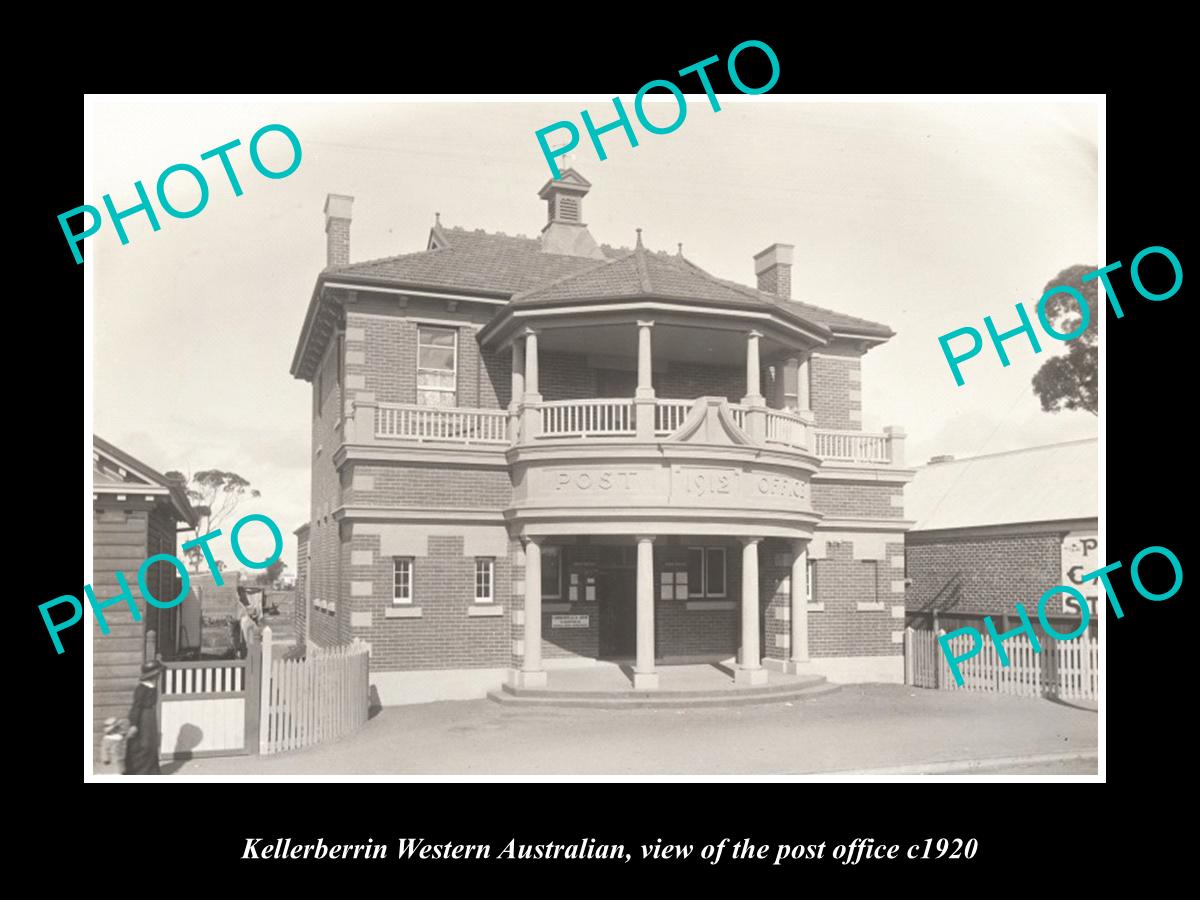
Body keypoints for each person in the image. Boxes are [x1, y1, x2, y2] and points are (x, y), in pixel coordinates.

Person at [123, 660, 163, 775]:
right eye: (158, 674)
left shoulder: (152, 687)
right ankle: (138, 771)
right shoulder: (141, 689)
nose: (159, 676)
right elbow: (136, 706)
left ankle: (151, 771)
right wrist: (134, 724)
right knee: (143, 745)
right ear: (153, 675)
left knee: (150, 744)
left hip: (150, 717)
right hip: (142, 718)